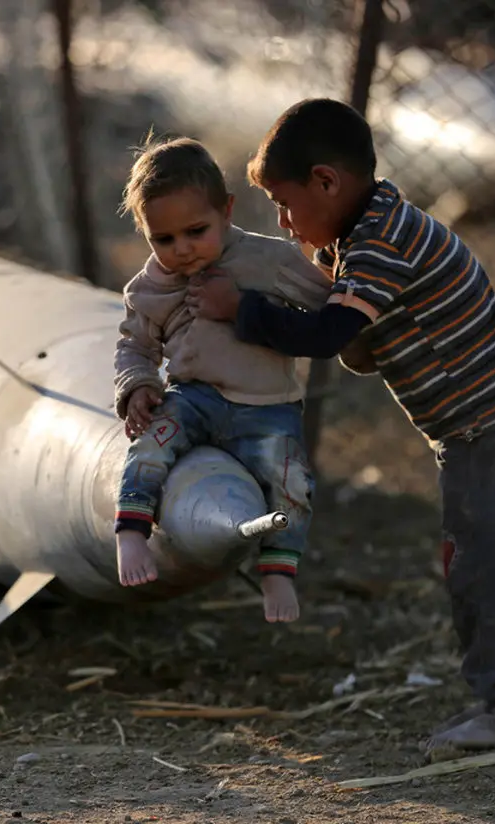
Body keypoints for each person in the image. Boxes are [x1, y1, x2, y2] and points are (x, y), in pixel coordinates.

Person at [187, 98, 495, 754]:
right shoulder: (361, 240)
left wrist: (242, 309)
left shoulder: (383, 240)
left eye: (285, 202)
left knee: (489, 570)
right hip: (485, 430)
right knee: (475, 567)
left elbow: (333, 334)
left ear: (327, 183)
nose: (280, 220)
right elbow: (363, 344)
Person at [113, 135, 333, 623]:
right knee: (150, 443)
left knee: (292, 479)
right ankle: (131, 532)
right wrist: (138, 385)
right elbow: (135, 344)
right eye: (163, 240)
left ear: (227, 210)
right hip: (194, 399)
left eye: (196, 231)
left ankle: (277, 570)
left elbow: (327, 305)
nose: (183, 250)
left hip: (268, 405)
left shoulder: (266, 260)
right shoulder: (149, 287)